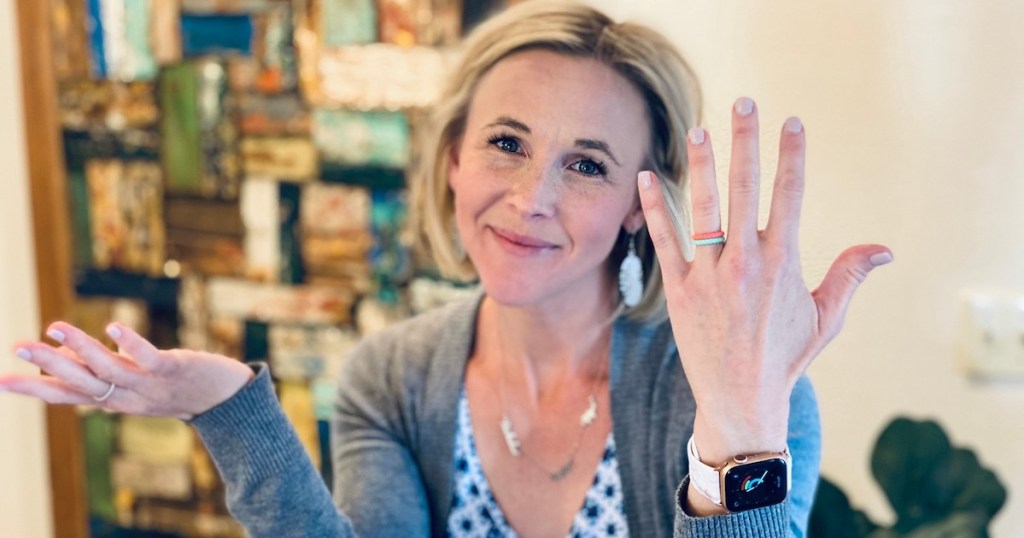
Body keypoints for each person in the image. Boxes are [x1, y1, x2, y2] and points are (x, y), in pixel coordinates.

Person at [1, 1, 892, 537]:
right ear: (455, 158)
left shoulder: (738, 392)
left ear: (639, 201)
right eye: (507, 143)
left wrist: (736, 430)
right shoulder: (392, 379)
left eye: (585, 164)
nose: (530, 196)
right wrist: (225, 406)